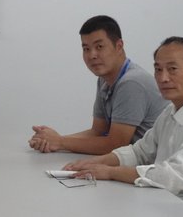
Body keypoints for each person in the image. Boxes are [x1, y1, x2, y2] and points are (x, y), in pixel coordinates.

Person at [65, 37, 183, 204]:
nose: (163, 78)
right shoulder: (169, 112)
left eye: (172, 69)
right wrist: (96, 162)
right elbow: (139, 152)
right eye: (158, 69)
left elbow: (173, 176)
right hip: (161, 202)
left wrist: (110, 172)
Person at [29, 15, 166, 154]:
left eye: (99, 47)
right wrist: (51, 140)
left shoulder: (132, 83)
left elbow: (116, 145)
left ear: (119, 46)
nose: (92, 55)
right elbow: (98, 131)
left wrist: (60, 142)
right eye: (86, 49)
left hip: (158, 162)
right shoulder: (104, 80)